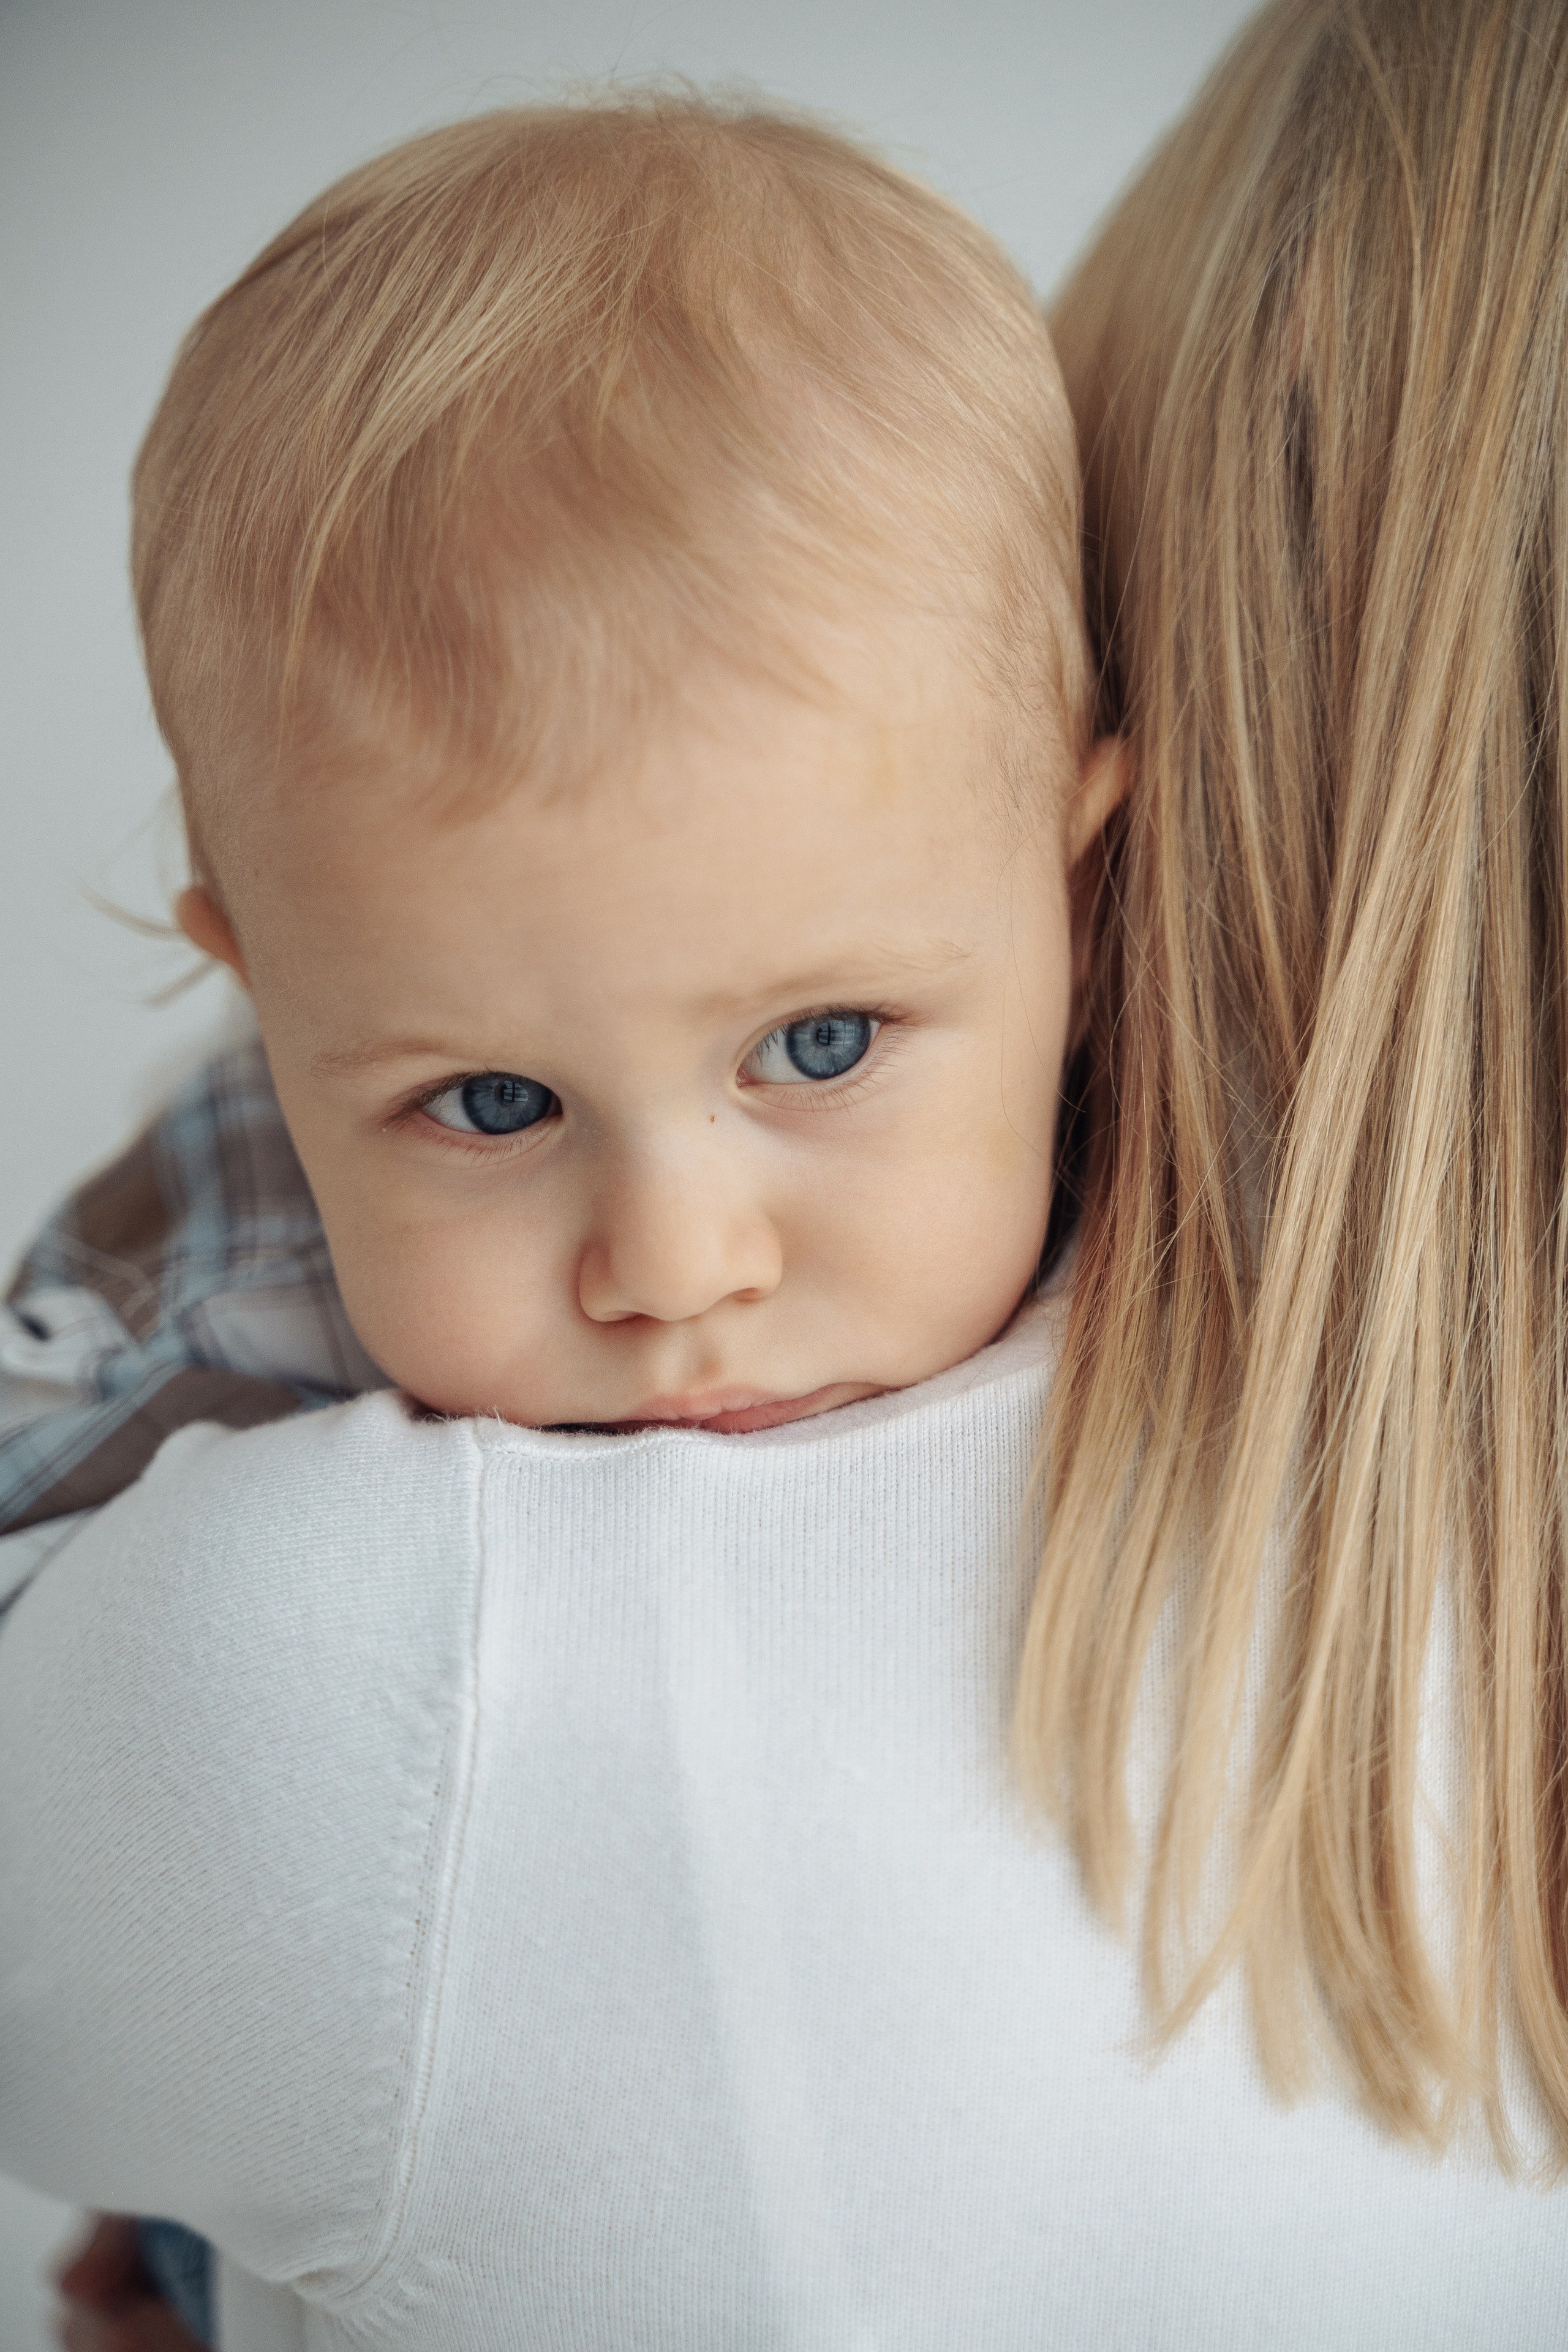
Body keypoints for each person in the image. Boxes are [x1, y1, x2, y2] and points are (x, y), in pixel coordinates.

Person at [9, 0, 1568, 2343]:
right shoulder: (190, 1349)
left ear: (1081, 879)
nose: (677, 1264)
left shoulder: (367, 1700)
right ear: (270, 1003)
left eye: (819, 1048)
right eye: (490, 1106)